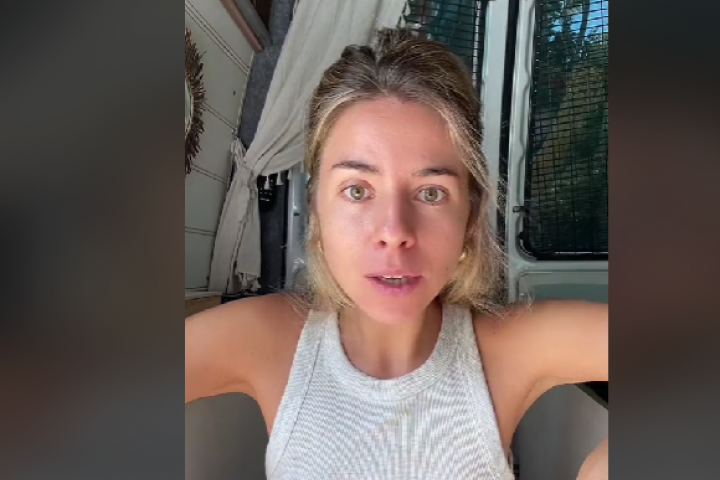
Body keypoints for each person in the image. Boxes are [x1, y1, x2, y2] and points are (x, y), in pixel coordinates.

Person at [185, 28, 608, 480]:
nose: (394, 232)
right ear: (316, 209)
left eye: (431, 192)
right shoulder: (264, 338)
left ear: (469, 218)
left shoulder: (513, 347)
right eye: (357, 190)